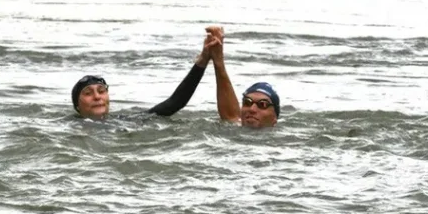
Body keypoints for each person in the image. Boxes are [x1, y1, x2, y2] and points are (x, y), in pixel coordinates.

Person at [71, 32, 213, 120]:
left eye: (101, 91)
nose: (97, 97)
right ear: (77, 106)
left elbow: (175, 103)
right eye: (88, 93)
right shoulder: (69, 127)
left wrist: (202, 61)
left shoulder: (124, 121)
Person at [204, 26, 281, 128]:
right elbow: (230, 116)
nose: (252, 109)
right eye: (247, 102)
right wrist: (218, 61)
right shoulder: (234, 130)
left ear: (274, 119)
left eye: (263, 104)